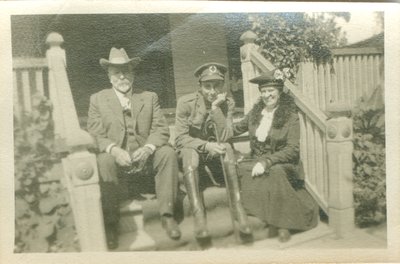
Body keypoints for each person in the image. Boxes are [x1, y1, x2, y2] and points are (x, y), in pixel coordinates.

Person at [87, 47, 181, 249]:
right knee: (103, 159)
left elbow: (162, 130)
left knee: (167, 152)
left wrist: (148, 148)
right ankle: (111, 224)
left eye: (126, 71)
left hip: (145, 159)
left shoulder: (149, 97)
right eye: (116, 72)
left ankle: (167, 215)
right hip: (118, 163)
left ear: (133, 73)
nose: (122, 76)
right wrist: (114, 149)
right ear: (109, 76)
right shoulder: (98, 99)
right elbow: (95, 134)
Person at [233, 68, 319, 242]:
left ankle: (283, 224)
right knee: (240, 169)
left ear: (279, 92)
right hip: (258, 159)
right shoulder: (256, 113)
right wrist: (216, 114)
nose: (267, 95)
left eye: (270, 91)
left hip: (284, 163)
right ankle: (262, 214)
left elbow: (292, 149)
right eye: (263, 91)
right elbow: (235, 128)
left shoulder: (290, 116)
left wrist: (267, 161)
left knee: (275, 172)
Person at [175, 62, 252, 242]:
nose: (212, 91)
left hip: (215, 155)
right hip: (193, 153)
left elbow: (225, 135)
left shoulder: (227, 103)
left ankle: (238, 209)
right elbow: (179, 139)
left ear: (222, 86)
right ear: (200, 87)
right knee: (189, 153)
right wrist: (206, 145)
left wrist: (216, 108)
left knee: (227, 148)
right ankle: (199, 215)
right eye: (207, 86)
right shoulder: (185, 103)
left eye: (216, 86)